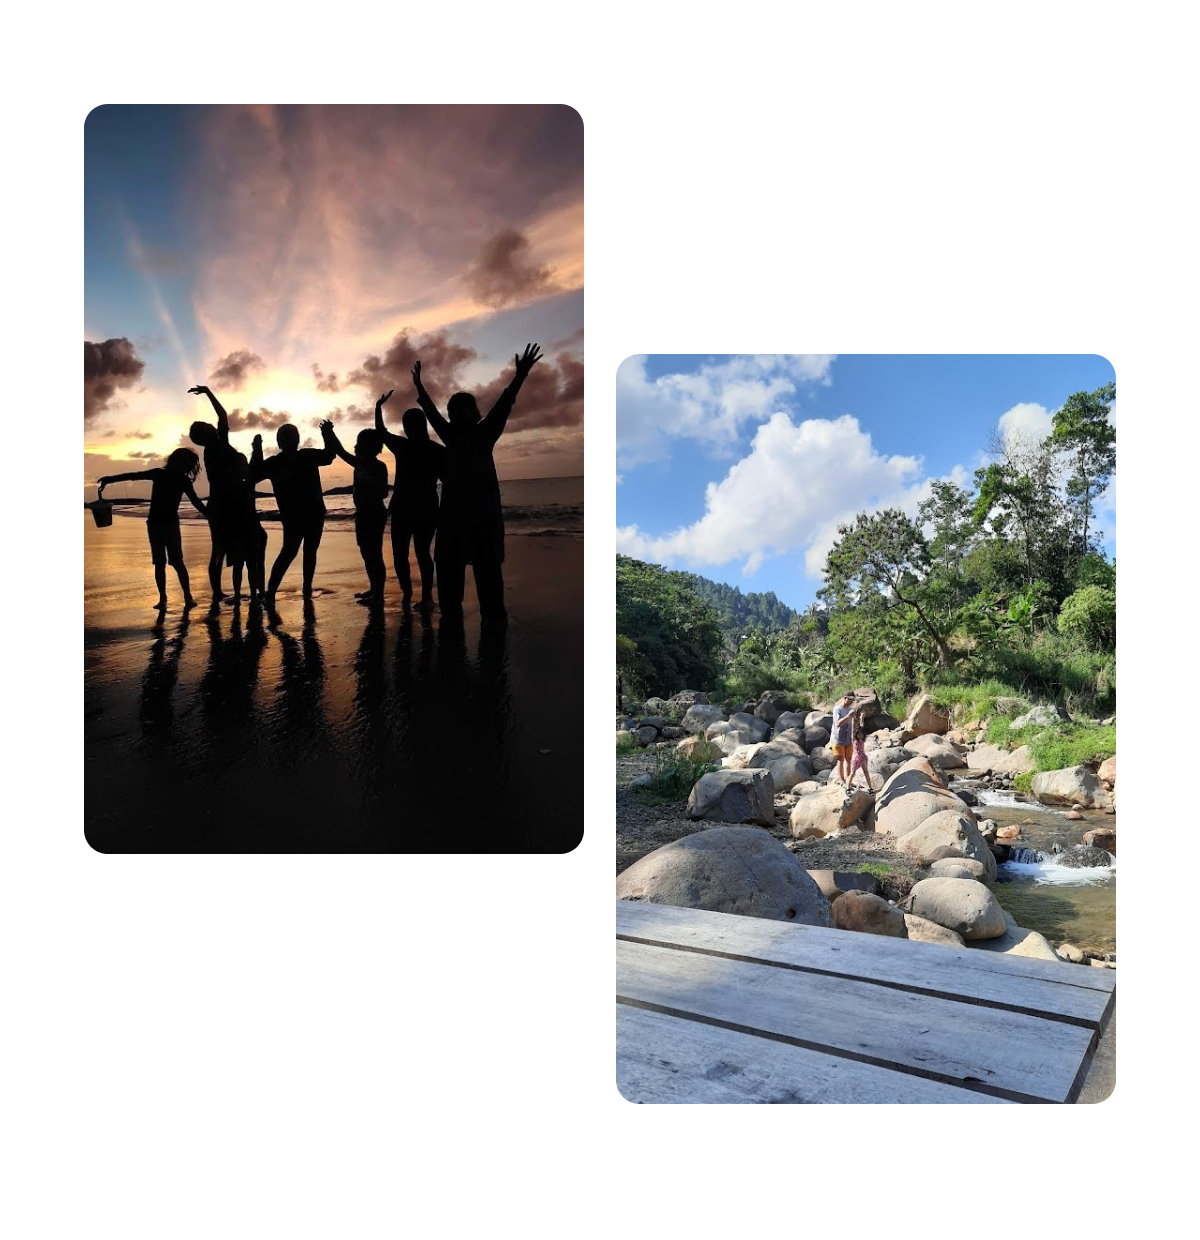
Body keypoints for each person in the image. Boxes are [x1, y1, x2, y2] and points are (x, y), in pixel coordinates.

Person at [410, 342, 543, 626]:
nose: (455, 413)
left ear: (474, 413)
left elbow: (504, 405)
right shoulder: (449, 435)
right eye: (452, 409)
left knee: (490, 586)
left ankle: (493, 634)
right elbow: (432, 414)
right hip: (452, 522)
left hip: (483, 520)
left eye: (461, 409)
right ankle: (453, 632)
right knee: (449, 589)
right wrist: (419, 387)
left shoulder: (485, 433)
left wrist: (520, 375)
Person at [98, 448, 208, 609]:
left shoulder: (183, 481)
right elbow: (133, 475)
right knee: (159, 563)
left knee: (177, 562)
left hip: (170, 525)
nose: (183, 466)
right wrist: (110, 479)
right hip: (154, 525)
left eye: (187, 464)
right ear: (173, 461)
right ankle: (163, 599)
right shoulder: (158, 474)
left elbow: (196, 502)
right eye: (182, 462)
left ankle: (188, 597)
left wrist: (210, 515)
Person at [249, 423, 338, 604]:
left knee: (305, 551)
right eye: (286, 438)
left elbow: (329, 456)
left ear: (296, 440)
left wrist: (327, 433)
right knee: (291, 552)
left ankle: (302, 588)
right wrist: (257, 450)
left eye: (291, 437)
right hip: (296, 516)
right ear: (281, 442)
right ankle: (273, 592)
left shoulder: (305, 456)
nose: (289, 441)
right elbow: (253, 474)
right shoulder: (277, 462)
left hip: (312, 513)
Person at [374, 390, 445, 610]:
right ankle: (417, 596)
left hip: (412, 509)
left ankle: (417, 596)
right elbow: (449, 480)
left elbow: (381, 432)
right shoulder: (434, 450)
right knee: (416, 555)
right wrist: (377, 408)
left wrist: (378, 408)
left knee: (409, 555)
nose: (408, 428)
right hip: (420, 508)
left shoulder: (405, 446)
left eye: (409, 424)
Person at [321, 419, 388, 604]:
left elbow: (383, 492)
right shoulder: (358, 463)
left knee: (375, 553)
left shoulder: (378, 466)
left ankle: (379, 594)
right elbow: (340, 451)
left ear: (372, 447)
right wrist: (329, 433)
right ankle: (373, 588)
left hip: (375, 515)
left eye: (360, 444)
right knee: (366, 552)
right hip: (362, 515)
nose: (356, 447)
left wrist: (368, 479)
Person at [188, 384, 243, 601]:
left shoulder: (216, 445)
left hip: (225, 502)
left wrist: (208, 392)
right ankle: (219, 591)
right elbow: (222, 415)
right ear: (206, 435)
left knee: (223, 547)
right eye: (206, 426)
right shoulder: (216, 446)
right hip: (223, 503)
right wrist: (208, 392)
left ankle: (222, 591)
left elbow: (222, 415)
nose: (211, 425)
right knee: (221, 548)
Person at [222, 446, 266, 604]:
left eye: (245, 464)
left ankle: (253, 595)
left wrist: (257, 449)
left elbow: (255, 465)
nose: (245, 468)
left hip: (251, 530)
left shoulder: (248, 484)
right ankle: (238, 594)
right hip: (236, 531)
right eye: (241, 465)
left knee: (251, 564)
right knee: (239, 565)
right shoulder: (230, 487)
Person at [830, 690, 858, 788]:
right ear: (845, 698)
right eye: (850, 699)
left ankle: (848, 780)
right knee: (840, 760)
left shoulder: (850, 709)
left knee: (848, 759)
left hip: (848, 738)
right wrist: (848, 716)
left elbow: (854, 723)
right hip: (838, 738)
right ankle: (842, 780)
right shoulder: (837, 709)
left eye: (853, 700)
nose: (851, 701)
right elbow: (838, 724)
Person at [848, 718, 871, 793]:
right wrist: (852, 720)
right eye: (859, 734)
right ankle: (848, 787)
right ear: (856, 734)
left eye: (861, 734)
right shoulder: (854, 740)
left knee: (866, 772)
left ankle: (870, 788)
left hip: (862, 757)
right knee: (852, 773)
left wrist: (861, 718)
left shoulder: (862, 740)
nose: (860, 735)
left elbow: (862, 726)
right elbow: (853, 729)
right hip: (856, 758)